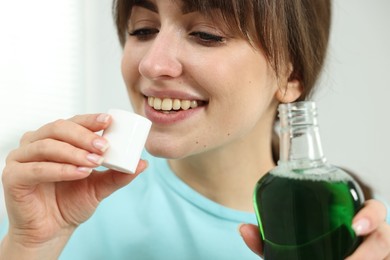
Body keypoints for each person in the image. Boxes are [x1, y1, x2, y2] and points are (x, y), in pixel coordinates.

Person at [0, 0, 389, 259]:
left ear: (292, 76)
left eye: (206, 34)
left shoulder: (350, 235)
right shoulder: (55, 208)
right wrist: (30, 245)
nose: (152, 65)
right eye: (143, 30)